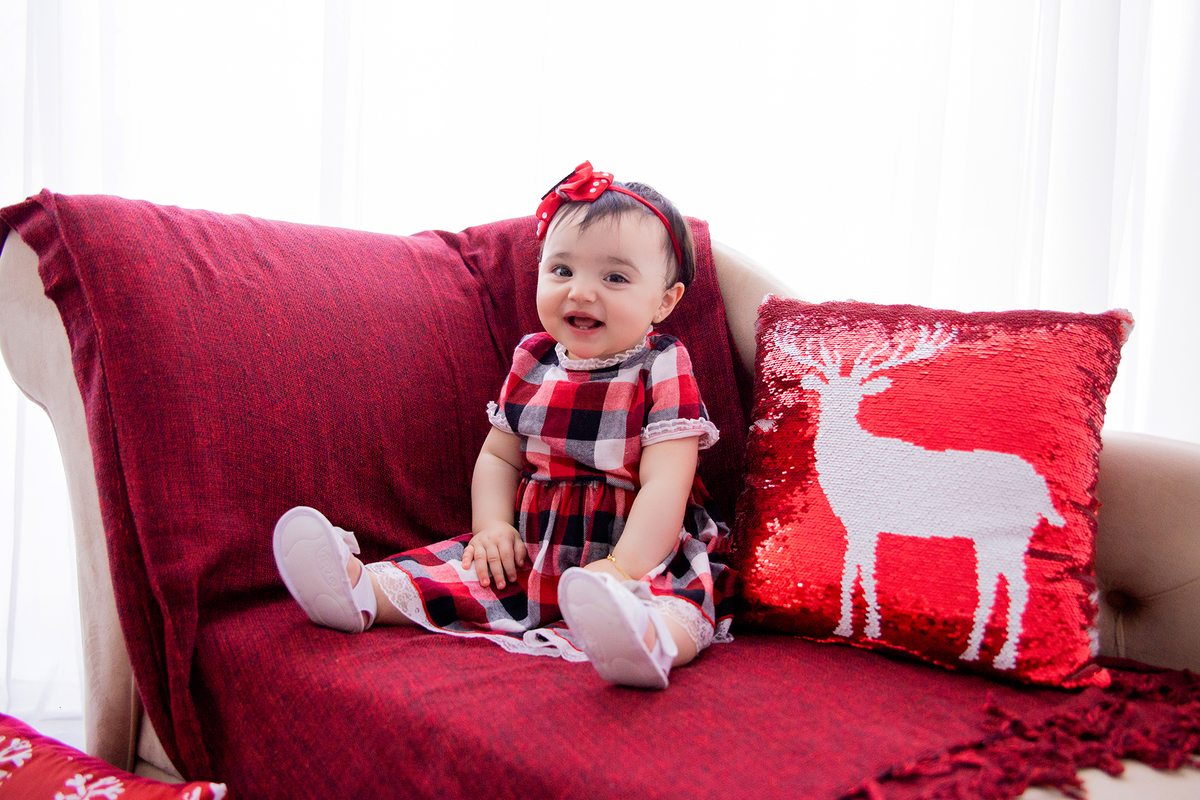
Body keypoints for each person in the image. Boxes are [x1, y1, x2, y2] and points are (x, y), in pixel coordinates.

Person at [273, 161, 734, 689]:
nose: (581, 292)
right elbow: (498, 456)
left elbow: (666, 483)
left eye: (614, 277)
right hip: (538, 538)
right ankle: (356, 589)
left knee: (675, 602)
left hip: (637, 542)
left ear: (664, 301)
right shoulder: (534, 360)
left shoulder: (663, 364)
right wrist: (493, 527)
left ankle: (644, 639)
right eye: (562, 270)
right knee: (471, 570)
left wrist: (624, 567)